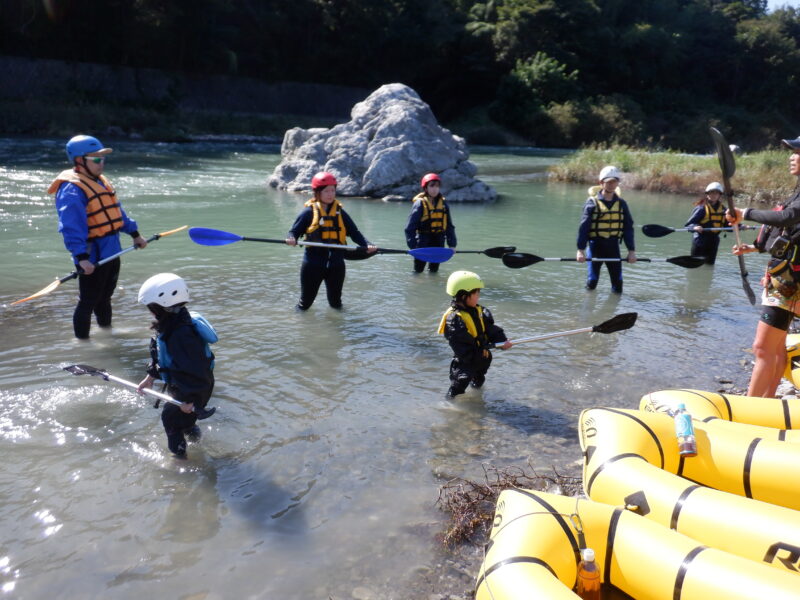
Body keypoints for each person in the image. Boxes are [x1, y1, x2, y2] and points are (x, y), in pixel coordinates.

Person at [48, 135, 147, 339]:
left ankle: (106, 332)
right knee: (88, 301)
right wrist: (81, 258)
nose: (101, 162)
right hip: (91, 255)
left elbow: (117, 213)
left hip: (112, 249)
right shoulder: (71, 190)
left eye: (103, 158)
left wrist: (135, 234)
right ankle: (82, 343)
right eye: (96, 159)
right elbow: (70, 228)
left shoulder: (100, 181)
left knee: (105, 298)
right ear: (79, 161)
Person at [727, 135, 800, 398]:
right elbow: (791, 232)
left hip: (789, 286)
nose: (792, 156)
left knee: (762, 349)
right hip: (786, 279)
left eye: (797, 152)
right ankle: (767, 402)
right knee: (776, 349)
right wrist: (755, 247)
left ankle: (750, 408)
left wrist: (745, 213)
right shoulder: (798, 191)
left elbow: (787, 217)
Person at [136, 273, 217, 458]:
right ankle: (197, 443)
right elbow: (162, 357)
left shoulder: (181, 334)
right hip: (189, 387)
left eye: (151, 307)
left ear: (161, 306)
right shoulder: (173, 322)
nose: (149, 311)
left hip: (193, 388)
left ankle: (180, 461)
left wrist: (189, 400)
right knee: (185, 422)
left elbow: (196, 369)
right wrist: (150, 378)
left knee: (171, 420)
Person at [286, 171, 376, 310]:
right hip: (313, 264)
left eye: (333, 190)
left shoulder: (340, 212)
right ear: (317, 193)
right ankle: (299, 327)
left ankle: (338, 328)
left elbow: (355, 233)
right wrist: (291, 238)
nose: (330, 194)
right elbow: (294, 232)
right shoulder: (308, 212)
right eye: (326, 191)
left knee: (336, 303)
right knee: (305, 304)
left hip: (336, 265)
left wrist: (367, 244)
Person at [438, 270, 512, 397]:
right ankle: (449, 406)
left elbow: (490, 329)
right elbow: (460, 344)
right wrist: (477, 352)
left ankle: (477, 398)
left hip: (482, 356)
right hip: (466, 361)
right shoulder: (454, 319)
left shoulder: (480, 311)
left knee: (479, 380)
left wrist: (501, 342)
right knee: (458, 385)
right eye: (476, 293)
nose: (478, 296)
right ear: (463, 296)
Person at [576, 166, 636, 293]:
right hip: (595, 246)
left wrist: (631, 251)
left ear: (618, 183)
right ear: (601, 183)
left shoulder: (622, 204)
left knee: (618, 283)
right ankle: (588, 309)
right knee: (592, 282)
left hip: (613, 247)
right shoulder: (592, 203)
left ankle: (614, 310)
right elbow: (584, 227)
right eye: (608, 182)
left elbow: (628, 228)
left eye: (614, 181)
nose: (611, 185)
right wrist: (580, 250)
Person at [404, 173, 457, 273]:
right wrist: (414, 247)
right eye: (432, 186)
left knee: (434, 270)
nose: (435, 189)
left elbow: (449, 226)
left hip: (439, 241)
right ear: (426, 188)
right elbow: (409, 228)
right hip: (423, 241)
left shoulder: (444, 204)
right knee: (418, 271)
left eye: (437, 186)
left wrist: (452, 245)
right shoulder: (420, 204)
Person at [686, 182, 726, 265]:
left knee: (709, 265)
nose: (714, 195)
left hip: (714, 241)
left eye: (716, 193)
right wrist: (695, 227)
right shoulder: (701, 208)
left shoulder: (723, 210)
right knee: (695, 265)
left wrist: (740, 226)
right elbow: (689, 225)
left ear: (719, 195)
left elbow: (728, 224)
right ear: (707, 194)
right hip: (700, 240)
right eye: (711, 192)